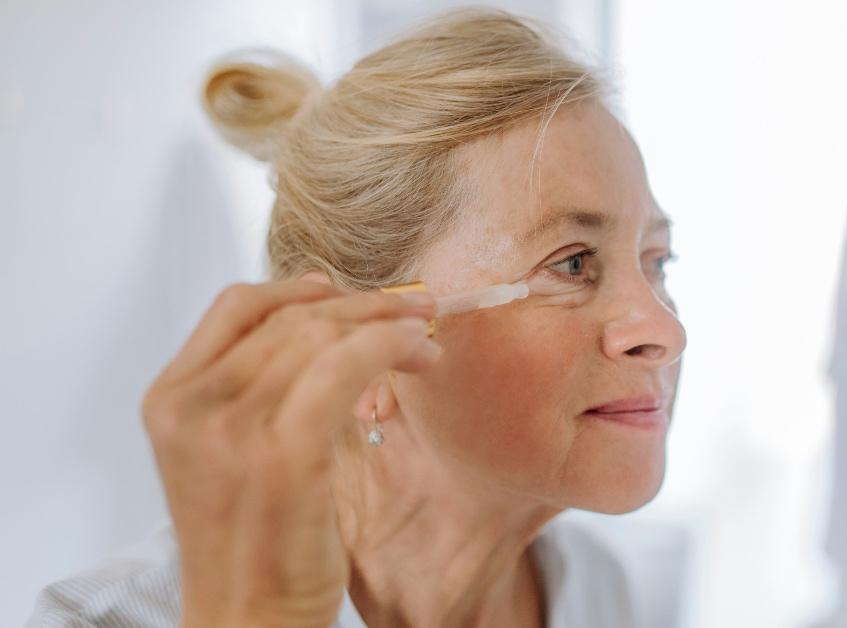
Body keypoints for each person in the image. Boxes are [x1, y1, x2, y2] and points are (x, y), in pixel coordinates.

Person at [25, 7, 687, 628]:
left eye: (657, 261)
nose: (665, 331)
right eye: (572, 264)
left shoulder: (597, 591)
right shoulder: (104, 620)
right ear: (362, 341)